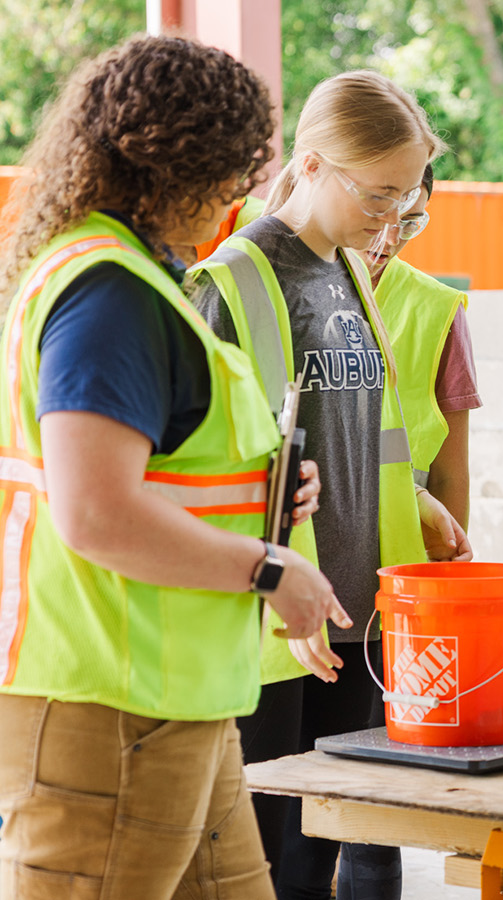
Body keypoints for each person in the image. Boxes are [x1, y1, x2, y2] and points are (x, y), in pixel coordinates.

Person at [0, 35, 342, 899]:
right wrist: (268, 567)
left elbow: (162, 468)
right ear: (173, 174)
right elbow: (96, 513)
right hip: (111, 710)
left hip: (169, 706)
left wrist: (264, 491)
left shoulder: (122, 281)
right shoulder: (109, 295)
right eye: (226, 190)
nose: (226, 214)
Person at [189, 70, 465, 900]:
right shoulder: (230, 282)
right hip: (274, 628)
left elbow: (370, 439)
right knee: (264, 866)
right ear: (310, 164)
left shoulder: (349, 274)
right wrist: (279, 586)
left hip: (359, 619)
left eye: (406, 203)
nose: (390, 222)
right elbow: (202, 468)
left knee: (326, 853)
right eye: (378, 196)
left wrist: (418, 506)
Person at [366, 163, 481, 528]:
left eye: (410, 222)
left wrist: (450, 571)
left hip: (406, 554)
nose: (389, 239)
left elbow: (451, 476)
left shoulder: (438, 309)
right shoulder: (285, 289)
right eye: (379, 213)